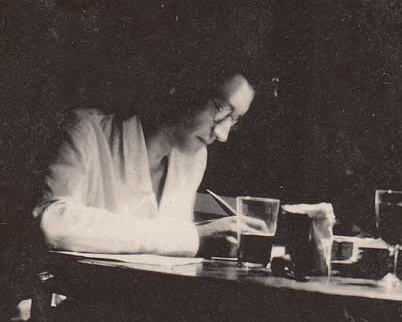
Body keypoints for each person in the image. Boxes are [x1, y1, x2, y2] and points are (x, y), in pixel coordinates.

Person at [34, 72, 265, 257]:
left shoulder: (193, 158)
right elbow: (54, 222)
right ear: (184, 86)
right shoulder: (86, 129)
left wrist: (201, 236)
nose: (222, 134)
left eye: (234, 120)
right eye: (222, 109)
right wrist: (190, 237)